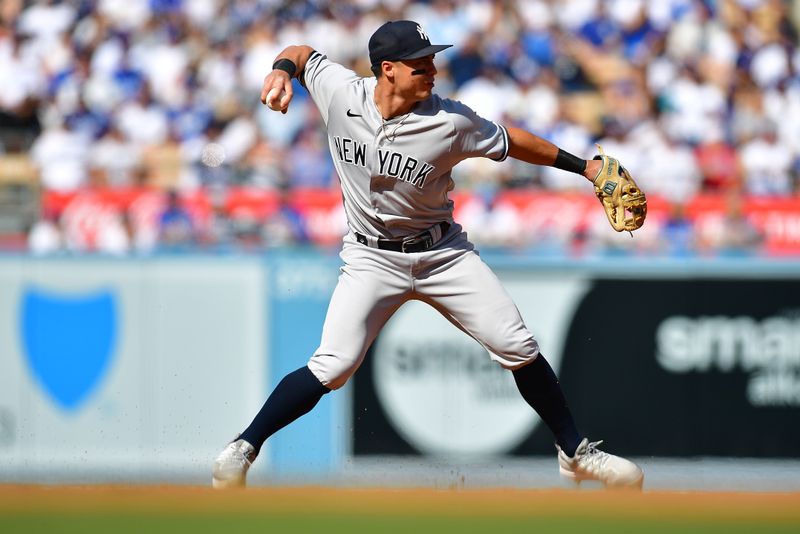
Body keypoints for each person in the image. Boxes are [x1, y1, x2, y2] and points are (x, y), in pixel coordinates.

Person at [213, 20, 644, 489]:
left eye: (432, 59)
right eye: (421, 63)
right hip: (370, 258)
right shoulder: (340, 92)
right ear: (388, 70)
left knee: (518, 346)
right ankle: (243, 447)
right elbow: (299, 51)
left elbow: (511, 141)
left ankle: (574, 452)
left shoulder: (450, 121)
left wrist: (584, 167)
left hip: (443, 255)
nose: (432, 69)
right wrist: (279, 71)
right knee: (332, 365)